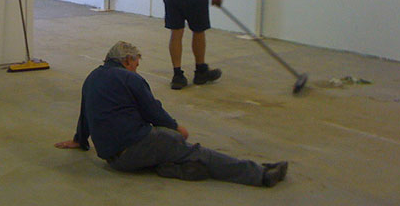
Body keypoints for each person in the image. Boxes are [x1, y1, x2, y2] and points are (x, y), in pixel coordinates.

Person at [55, 41, 288, 187]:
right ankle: (260, 175)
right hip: (134, 148)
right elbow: (153, 112)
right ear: (127, 61)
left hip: (113, 160)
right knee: (195, 150)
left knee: (171, 147)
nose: (137, 68)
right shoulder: (130, 78)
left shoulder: (91, 78)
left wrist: (79, 140)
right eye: (136, 63)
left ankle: (172, 167)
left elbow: (85, 113)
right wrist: (176, 128)